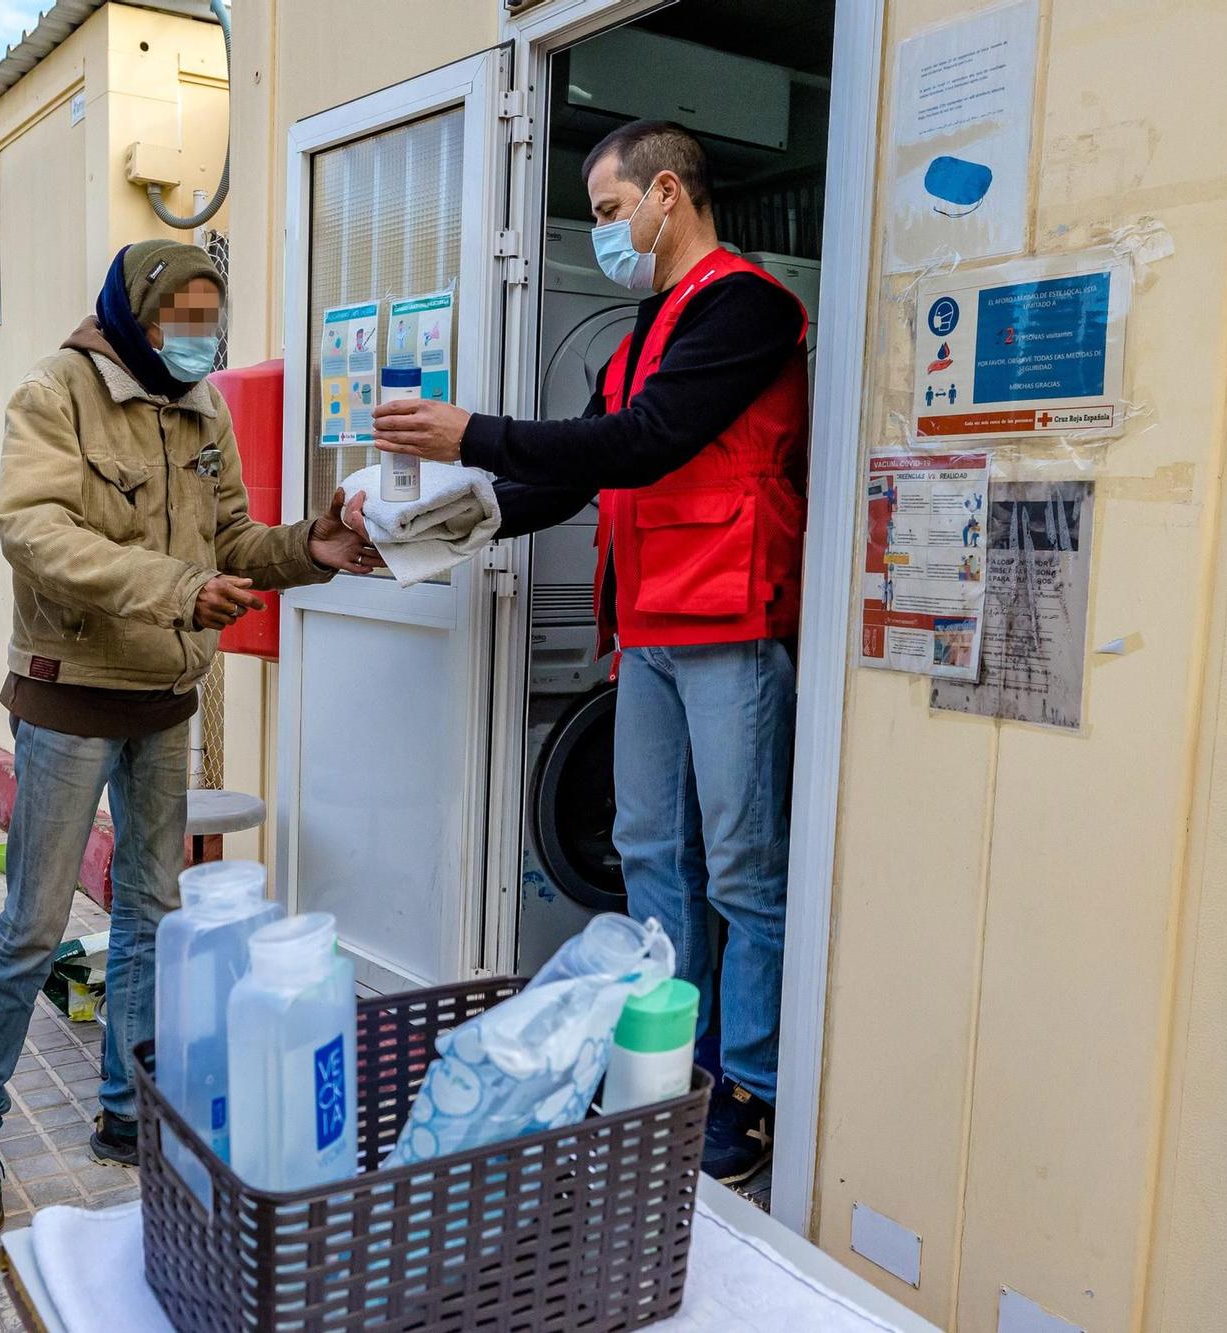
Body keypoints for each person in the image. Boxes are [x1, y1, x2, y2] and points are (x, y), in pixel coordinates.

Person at [371, 120, 808, 1185]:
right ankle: (662, 1058)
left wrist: (469, 431)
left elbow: (642, 442)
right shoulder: (641, 331)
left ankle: (745, 1088)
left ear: (667, 191)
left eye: (610, 211)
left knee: (743, 873)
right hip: (652, 627)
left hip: (733, 623)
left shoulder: (742, 308)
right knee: (651, 853)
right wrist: (412, 536)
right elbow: (569, 479)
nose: (605, 232)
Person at [0, 240, 379, 1239]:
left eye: (210, 317)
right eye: (183, 316)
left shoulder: (203, 406)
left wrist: (313, 545)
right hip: (71, 694)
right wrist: (174, 589)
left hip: (165, 694)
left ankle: (129, 1113)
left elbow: (230, 543)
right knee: (34, 923)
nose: (198, 335)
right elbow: (32, 531)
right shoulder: (57, 392)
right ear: (137, 313)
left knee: (151, 913)